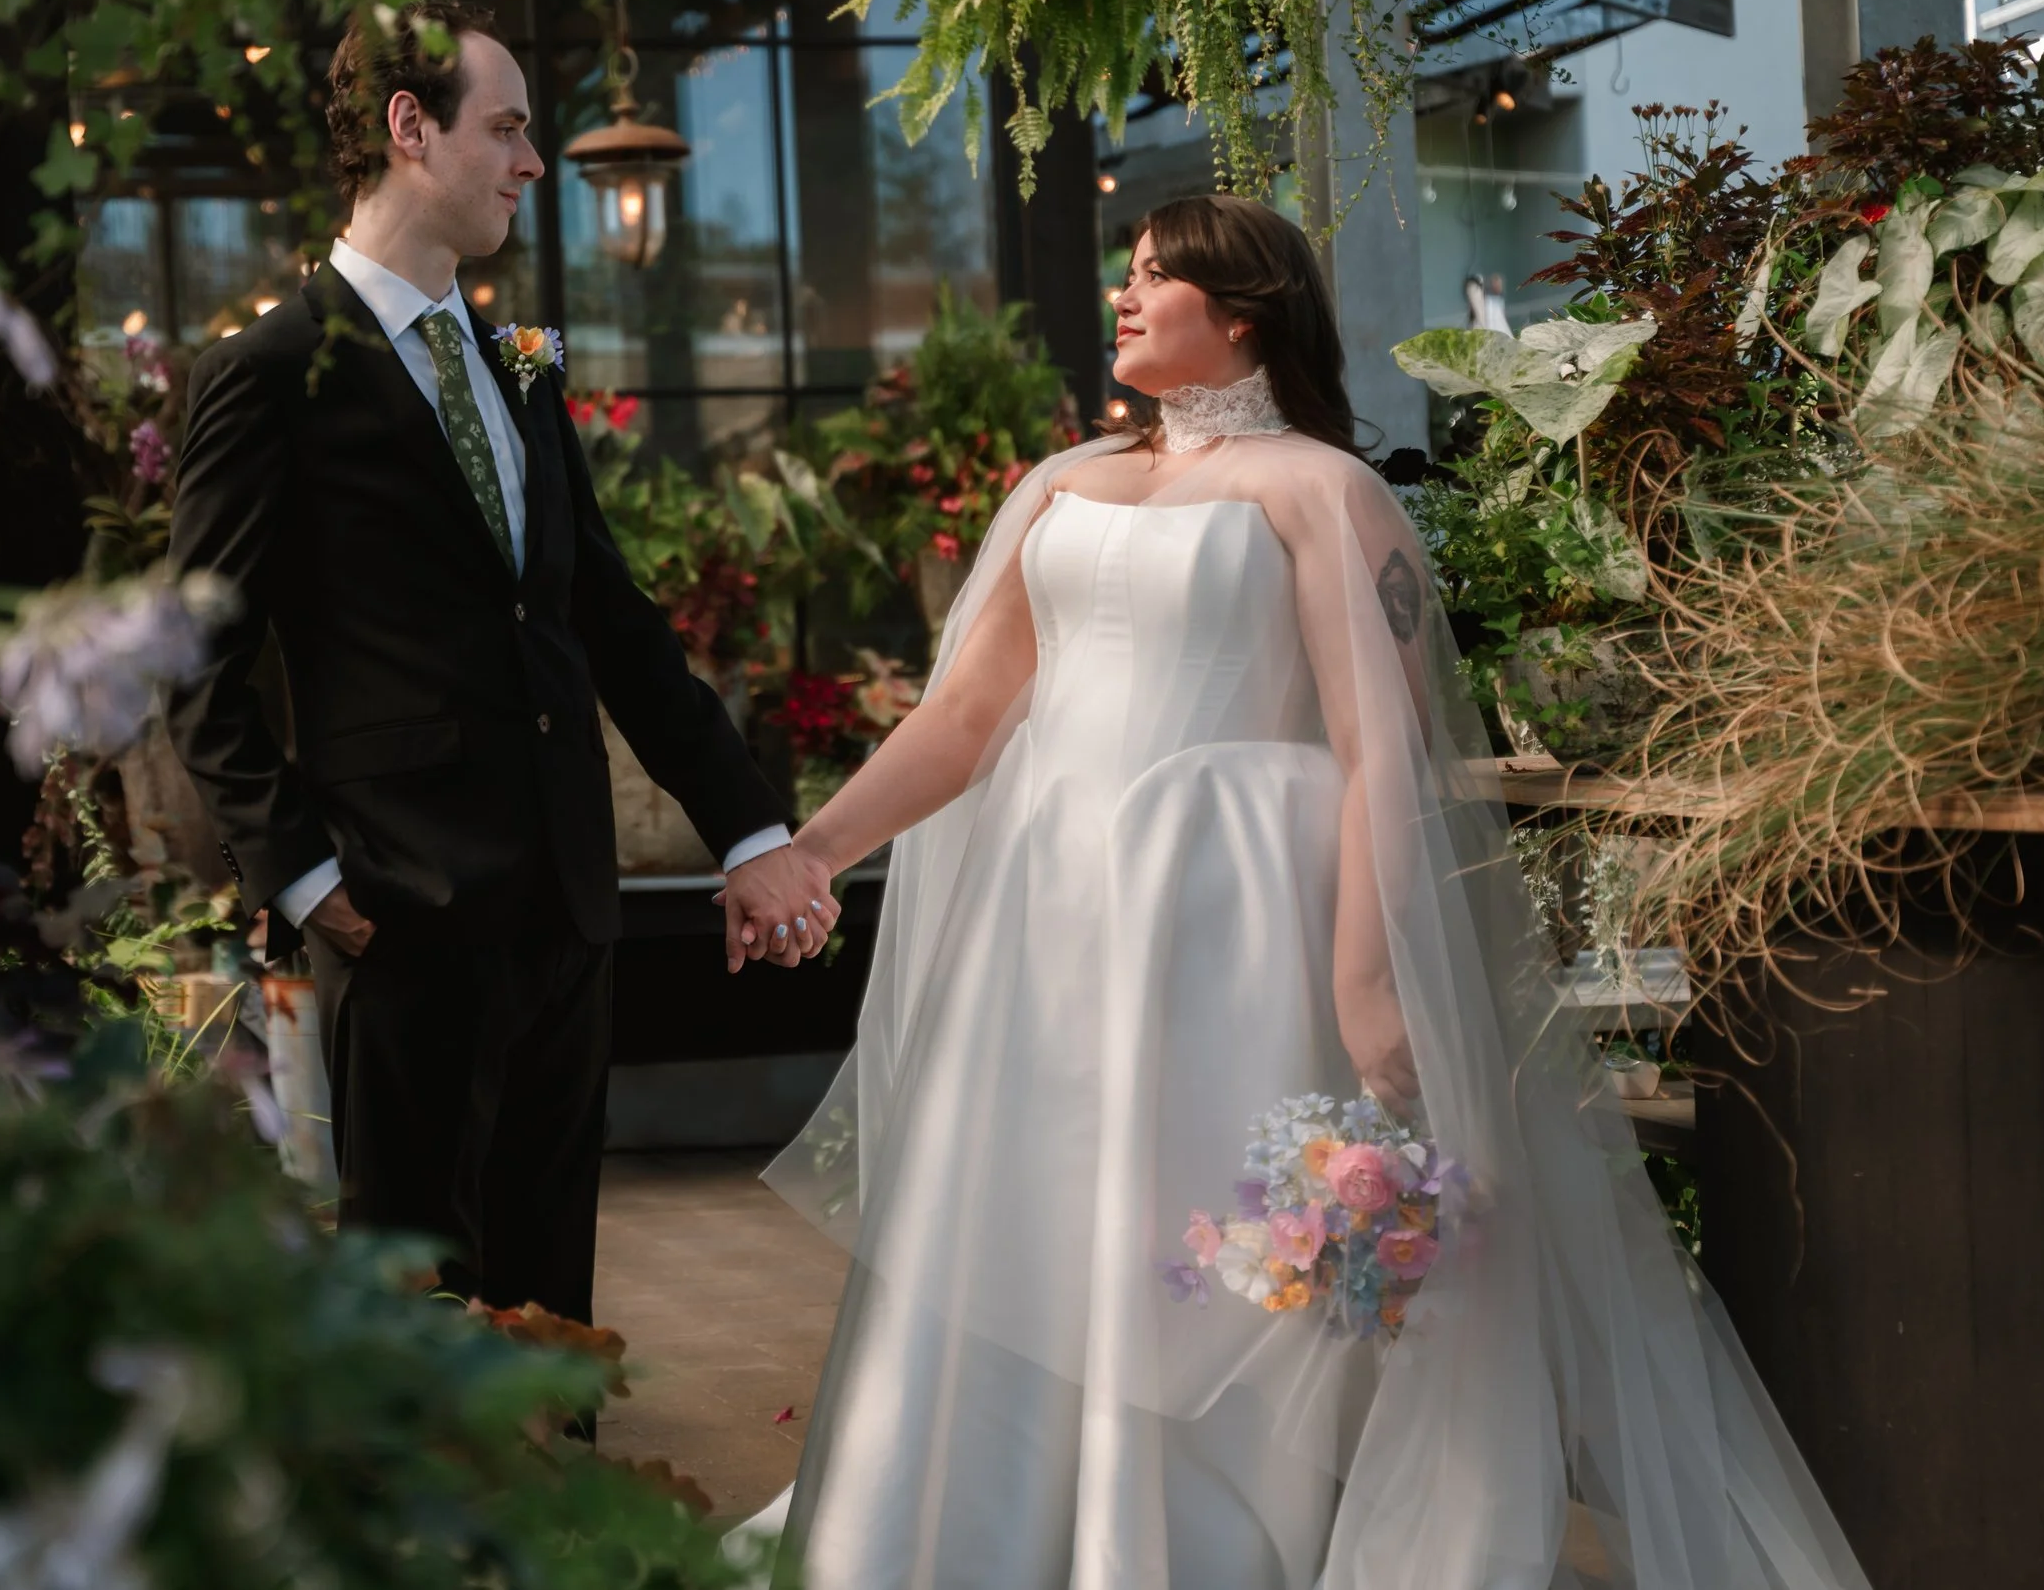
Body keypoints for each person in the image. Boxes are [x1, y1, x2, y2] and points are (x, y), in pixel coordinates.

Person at [739, 195, 1870, 1589]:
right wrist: (815, 851)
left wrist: (1366, 978)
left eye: (1159, 275)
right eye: (1129, 271)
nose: (1126, 294)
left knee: (1208, 1237)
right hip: (1048, 925)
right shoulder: (1063, 486)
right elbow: (963, 720)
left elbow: (1381, 746)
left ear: (1245, 315)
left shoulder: (1321, 489)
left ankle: (1204, 1544)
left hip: (1233, 928)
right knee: (1034, 1221)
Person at [163, 0, 834, 1326]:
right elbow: (196, 663)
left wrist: (750, 832)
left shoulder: (515, 368)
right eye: (510, 128)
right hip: (400, 908)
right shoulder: (270, 371)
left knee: (552, 1310)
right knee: (418, 1312)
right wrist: (308, 879)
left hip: (567, 910)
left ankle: (566, 1472)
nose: (533, 162)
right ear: (410, 128)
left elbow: (611, 622)